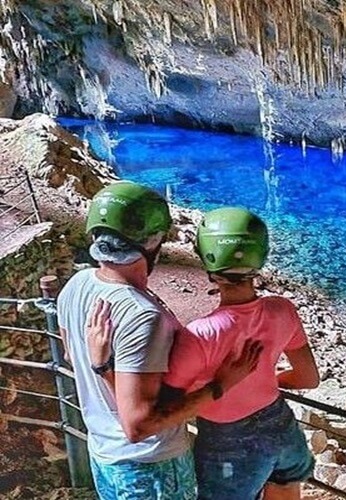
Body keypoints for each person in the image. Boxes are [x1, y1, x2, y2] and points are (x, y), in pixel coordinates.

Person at [89, 206, 320, 500]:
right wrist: (261, 382)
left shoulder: (201, 335)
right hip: (282, 427)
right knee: (286, 484)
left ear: (207, 261)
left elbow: (158, 410)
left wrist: (104, 366)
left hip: (229, 445)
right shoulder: (282, 310)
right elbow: (308, 378)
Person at [58, 181, 263, 500]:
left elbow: (71, 356)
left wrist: (106, 369)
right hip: (150, 466)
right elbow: (138, 425)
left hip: (104, 454)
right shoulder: (141, 316)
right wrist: (221, 385)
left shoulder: (76, 284)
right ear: (152, 242)